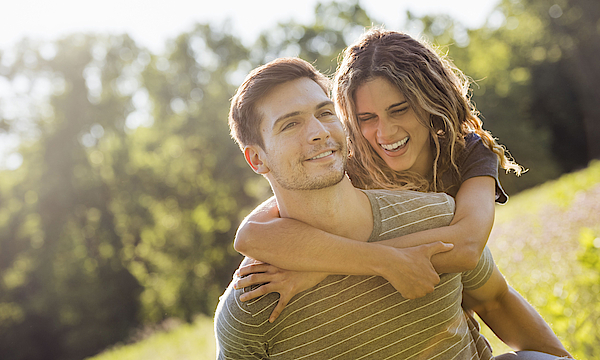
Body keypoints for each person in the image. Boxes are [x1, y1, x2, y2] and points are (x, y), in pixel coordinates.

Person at [214, 57, 572, 359]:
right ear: (257, 159)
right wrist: (381, 263)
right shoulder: (256, 302)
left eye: (324, 113)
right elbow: (250, 235)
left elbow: (494, 299)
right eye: (291, 124)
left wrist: (330, 268)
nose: (318, 132)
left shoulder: (438, 216)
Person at [232, 28, 523, 321]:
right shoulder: (349, 164)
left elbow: (467, 246)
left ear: (430, 98)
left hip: (468, 291)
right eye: (367, 118)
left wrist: (319, 269)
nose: (385, 132)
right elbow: (251, 236)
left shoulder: (467, 150)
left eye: (399, 110)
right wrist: (384, 262)